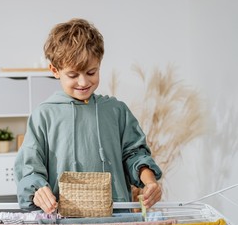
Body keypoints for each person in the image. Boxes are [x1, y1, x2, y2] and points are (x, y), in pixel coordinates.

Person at [14, 18, 162, 214]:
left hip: (115, 220)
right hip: (63, 222)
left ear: (99, 64)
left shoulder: (116, 111)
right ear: (55, 70)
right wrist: (38, 191)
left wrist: (150, 182)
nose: (83, 82)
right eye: (73, 75)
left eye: (91, 72)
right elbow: (30, 166)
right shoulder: (43, 115)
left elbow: (135, 154)